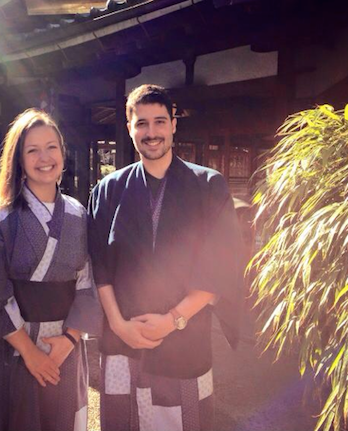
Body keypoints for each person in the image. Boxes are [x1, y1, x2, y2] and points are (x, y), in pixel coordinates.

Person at [88, 84, 243, 431]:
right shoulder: (108, 189)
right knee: (123, 420)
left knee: (183, 421)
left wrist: (173, 320)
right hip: (123, 337)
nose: (151, 132)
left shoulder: (209, 185)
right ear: (129, 128)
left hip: (184, 337)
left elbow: (220, 265)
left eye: (159, 121)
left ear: (174, 124)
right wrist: (118, 324)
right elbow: (99, 264)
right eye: (141, 123)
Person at [0, 108, 102, 431]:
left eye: (51, 147)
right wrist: (31, 352)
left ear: (62, 152)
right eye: (32, 150)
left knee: (64, 419)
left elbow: (87, 283)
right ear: (18, 159)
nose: (44, 157)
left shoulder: (77, 214)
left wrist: (70, 339)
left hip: (65, 349)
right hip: (13, 350)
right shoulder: (0, 215)